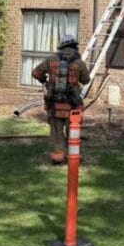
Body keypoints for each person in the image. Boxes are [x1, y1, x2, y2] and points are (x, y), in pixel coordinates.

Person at [31, 33, 90, 165]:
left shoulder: (51, 59)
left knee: (56, 132)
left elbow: (36, 72)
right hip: (73, 104)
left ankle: (58, 158)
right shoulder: (79, 62)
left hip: (55, 104)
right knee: (73, 131)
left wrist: (44, 81)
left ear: (61, 46)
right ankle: (73, 157)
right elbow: (86, 80)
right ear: (74, 46)